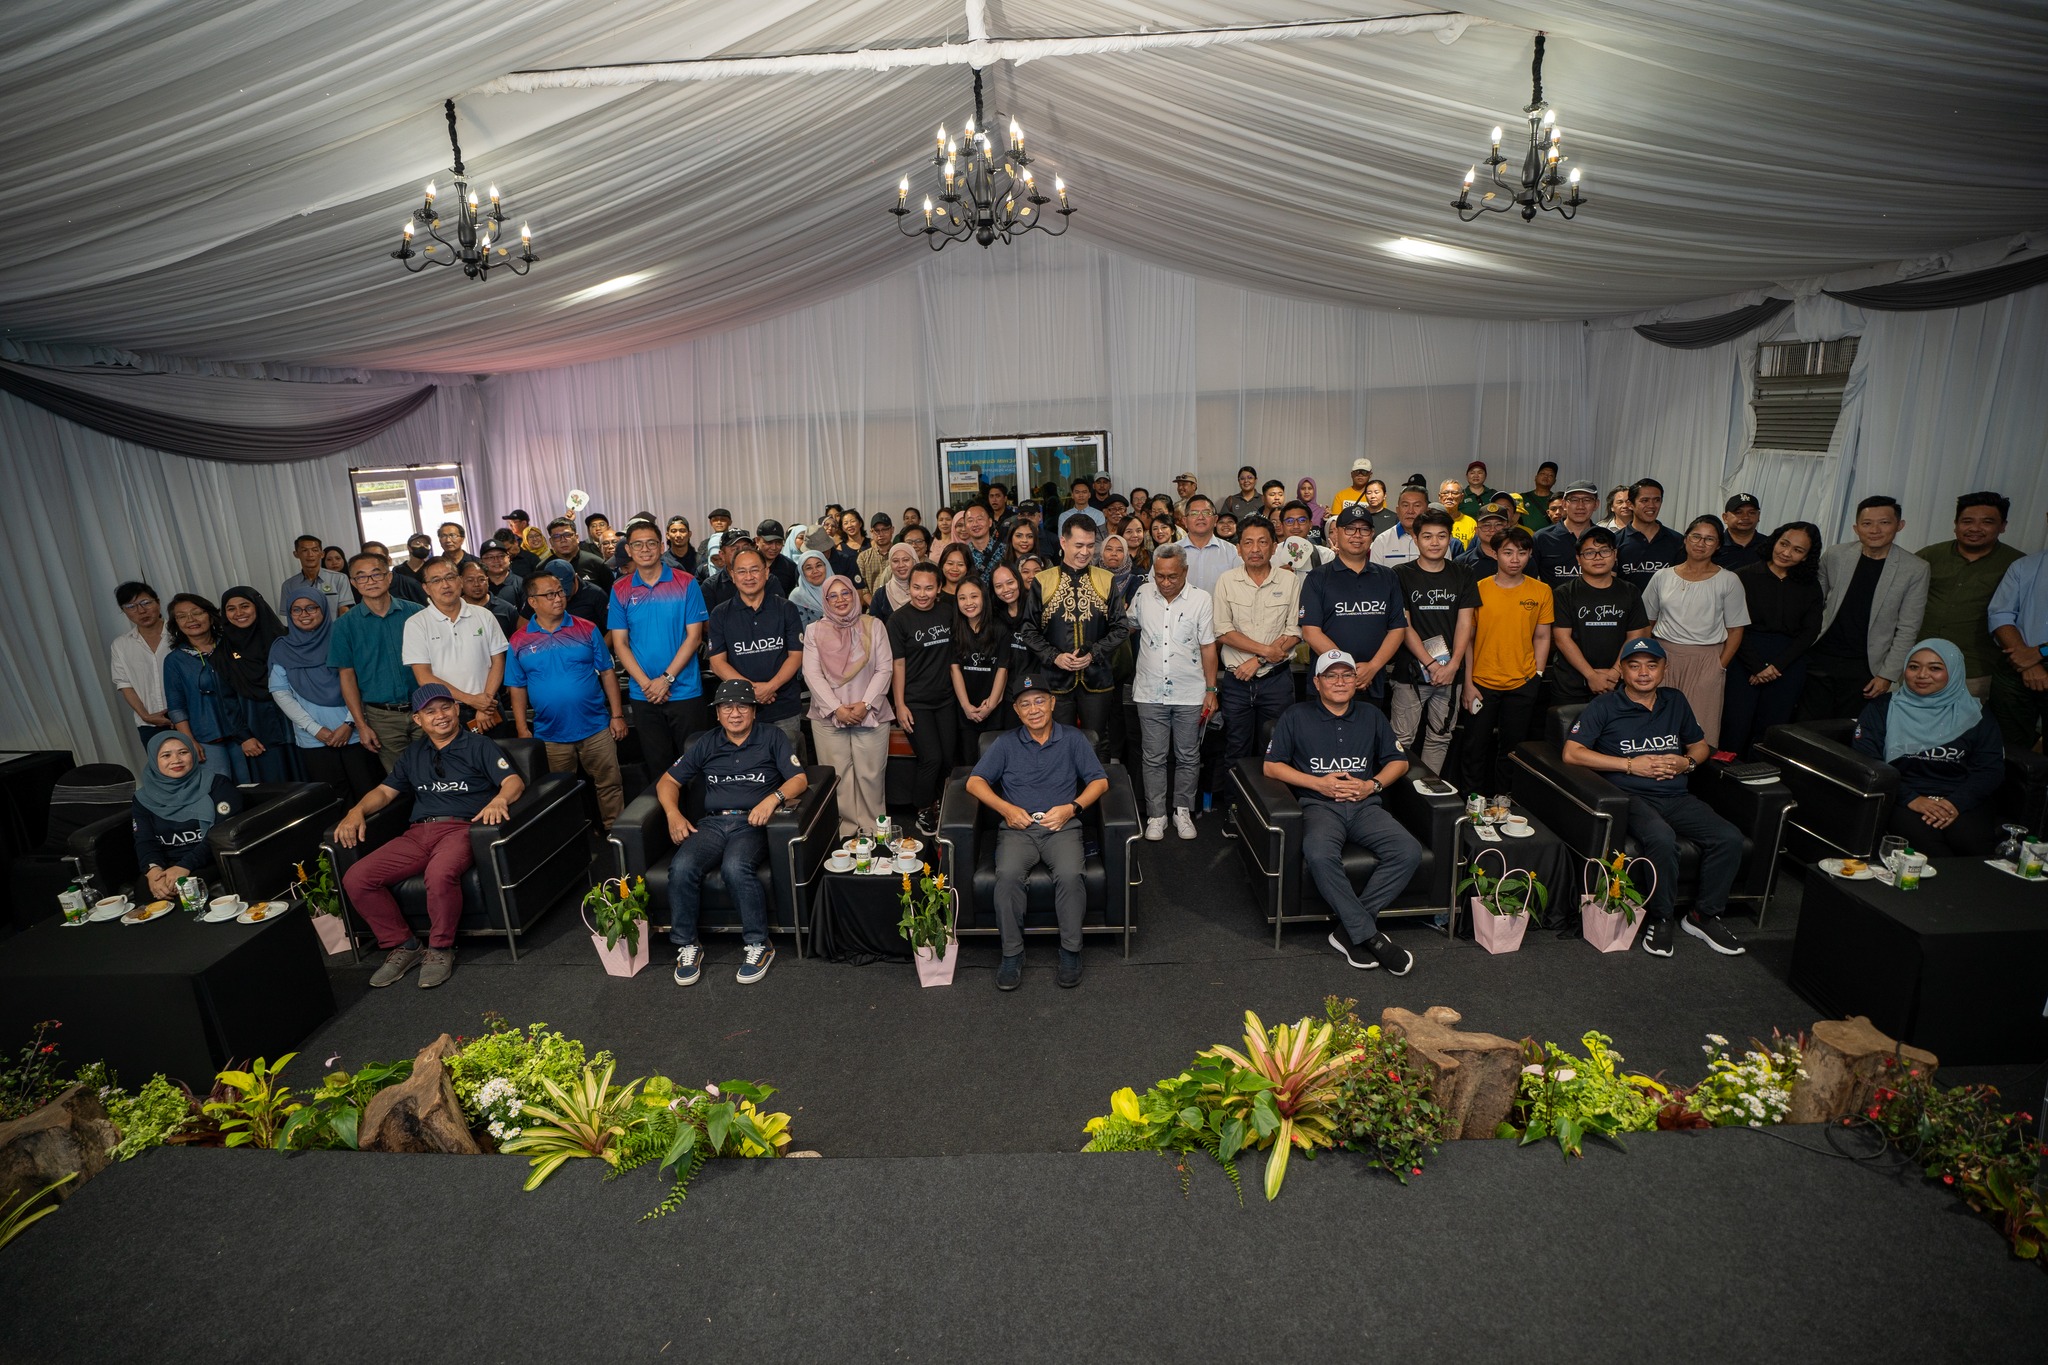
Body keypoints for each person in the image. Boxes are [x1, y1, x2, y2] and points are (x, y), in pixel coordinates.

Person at [1563, 639, 1745, 959]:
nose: (1643, 673)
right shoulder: (1605, 706)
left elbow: (1700, 746)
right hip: (1631, 797)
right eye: (1634, 666)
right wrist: (1630, 765)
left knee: (1729, 837)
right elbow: (1572, 753)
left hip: (1676, 795)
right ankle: (1661, 918)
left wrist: (1687, 762)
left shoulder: (1675, 700)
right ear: (1623, 671)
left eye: (1651, 665)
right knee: (1662, 838)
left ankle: (1703, 916)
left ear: (1664, 669)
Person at [335, 684, 524, 990]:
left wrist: (500, 800)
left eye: (446, 707)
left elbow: (513, 781)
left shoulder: (480, 745)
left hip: (462, 829)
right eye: (430, 711)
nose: (441, 716)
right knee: (357, 878)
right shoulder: (413, 754)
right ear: (418, 720)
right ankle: (405, 946)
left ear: (457, 709)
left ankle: (440, 948)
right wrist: (356, 810)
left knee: (439, 873)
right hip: (418, 832)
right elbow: (385, 792)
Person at [1263, 650, 1421, 975]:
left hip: (1365, 806)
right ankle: (1370, 937)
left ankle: (1348, 931)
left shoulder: (1371, 715)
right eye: (1331, 676)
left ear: (1356, 681)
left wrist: (1372, 786)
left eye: (1347, 675)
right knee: (1319, 854)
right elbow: (1270, 766)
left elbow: (1399, 762)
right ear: (1317, 682)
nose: (1340, 682)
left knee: (1408, 850)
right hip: (1319, 806)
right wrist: (1317, 784)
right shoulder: (1296, 716)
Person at [658, 678, 808, 987]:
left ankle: (758, 944)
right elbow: (667, 781)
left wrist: (772, 799)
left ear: (754, 710)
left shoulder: (772, 736)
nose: (735, 713)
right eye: (727, 707)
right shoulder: (707, 742)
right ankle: (687, 945)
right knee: (682, 866)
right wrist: (673, 814)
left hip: (752, 823)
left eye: (742, 706)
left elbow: (799, 779)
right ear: (717, 713)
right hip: (713, 823)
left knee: (735, 867)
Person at [965, 675, 1112, 990]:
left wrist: (1072, 808)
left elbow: (1100, 781)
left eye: (1040, 701)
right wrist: (1006, 809)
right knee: (1007, 876)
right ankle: (1012, 954)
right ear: (1017, 711)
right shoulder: (1005, 743)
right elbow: (974, 782)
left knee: (1071, 875)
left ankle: (1071, 951)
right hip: (1018, 829)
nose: (1034, 709)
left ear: (1053, 703)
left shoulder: (1073, 739)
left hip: (1062, 826)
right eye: (1025, 704)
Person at [1849, 639, 2004, 856]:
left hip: (1959, 798)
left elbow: (1990, 769)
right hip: (1902, 796)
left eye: (1935, 668)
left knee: (1973, 846)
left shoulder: (1976, 714)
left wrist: (1955, 803)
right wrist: (1911, 799)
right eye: (1913, 667)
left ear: (1954, 672)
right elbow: (1866, 760)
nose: (1922, 675)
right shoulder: (1881, 708)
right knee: (1929, 851)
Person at [507, 575, 628, 827]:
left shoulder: (587, 629)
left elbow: (607, 672)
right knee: (558, 793)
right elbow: (516, 686)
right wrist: (521, 728)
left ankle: (615, 832)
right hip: (550, 733)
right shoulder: (519, 640)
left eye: (560, 592)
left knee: (610, 783)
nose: (558, 598)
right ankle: (573, 837)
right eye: (549, 594)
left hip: (596, 726)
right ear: (532, 602)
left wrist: (617, 715)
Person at [1803, 496, 1930, 721]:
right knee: (1805, 726)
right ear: (1856, 528)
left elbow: (1908, 628)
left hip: (1867, 666)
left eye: (1884, 522)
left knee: (1848, 729)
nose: (1875, 530)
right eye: (1867, 523)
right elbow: (1812, 602)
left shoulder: (1915, 568)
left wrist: (1887, 675)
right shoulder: (1836, 554)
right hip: (1820, 656)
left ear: (1899, 525)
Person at [1020, 517, 1133, 768]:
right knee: (1056, 741)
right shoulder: (1043, 580)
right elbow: (1028, 630)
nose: (1085, 552)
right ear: (1063, 542)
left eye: (1090, 546)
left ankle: (1099, 791)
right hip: (1056, 680)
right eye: (1079, 545)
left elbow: (1120, 628)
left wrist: (1093, 653)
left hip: (1097, 679)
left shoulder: (1105, 579)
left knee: (1098, 740)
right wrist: (1055, 657)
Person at [1128, 543, 1218, 840]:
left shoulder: (1201, 599)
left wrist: (1211, 689)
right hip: (1149, 690)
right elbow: (1126, 626)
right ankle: (1157, 815)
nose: (1165, 583)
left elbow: (1208, 646)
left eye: (1172, 576)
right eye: (1160, 576)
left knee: (1188, 755)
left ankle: (1182, 810)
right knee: (1153, 757)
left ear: (1185, 571)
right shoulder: (1143, 594)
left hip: (1190, 691)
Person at [609, 520, 711, 778]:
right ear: (629, 550)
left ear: (662, 546)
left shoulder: (686, 583)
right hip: (644, 695)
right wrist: (648, 685)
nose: (645, 549)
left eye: (651, 543)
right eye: (637, 545)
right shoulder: (620, 589)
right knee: (658, 768)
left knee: (695, 766)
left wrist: (665, 680)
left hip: (685, 691)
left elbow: (694, 637)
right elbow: (620, 643)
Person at [1639, 516, 1749, 748]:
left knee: (1699, 728)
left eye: (1709, 539)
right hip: (1664, 657)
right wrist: (1647, 659)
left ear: (1718, 545)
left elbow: (1736, 629)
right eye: (1696, 536)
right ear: (1686, 539)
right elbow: (1647, 621)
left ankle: (1695, 770)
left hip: (1706, 660)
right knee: (1657, 721)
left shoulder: (1729, 580)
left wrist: (1719, 666)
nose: (1701, 543)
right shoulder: (1662, 576)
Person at [1462, 526, 1552, 794]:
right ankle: (1471, 801)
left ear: (1530, 555)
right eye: (1508, 552)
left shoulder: (1541, 590)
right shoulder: (1478, 589)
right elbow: (1467, 639)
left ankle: (1504, 801)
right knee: (1474, 747)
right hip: (1481, 682)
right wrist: (1468, 682)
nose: (1515, 559)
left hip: (1522, 682)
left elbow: (1542, 636)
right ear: (1495, 554)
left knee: (1512, 750)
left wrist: (1537, 675)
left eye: (1522, 553)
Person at [803, 574, 894, 838]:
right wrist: (837, 709)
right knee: (838, 778)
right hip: (829, 717)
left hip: (870, 712)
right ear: (825, 600)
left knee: (871, 777)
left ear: (855, 595)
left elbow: (885, 668)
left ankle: (875, 834)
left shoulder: (874, 625)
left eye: (845, 593)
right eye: (833, 595)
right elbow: (812, 674)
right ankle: (845, 835)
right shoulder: (814, 631)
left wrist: (866, 704)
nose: (840, 599)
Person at [269, 585, 380, 801]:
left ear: (323, 608)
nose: (304, 614)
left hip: (356, 733)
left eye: (311, 607)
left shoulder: (342, 638)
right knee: (334, 798)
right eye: (296, 610)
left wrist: (350, 724)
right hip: (313, 738)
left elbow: (362, 682)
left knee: (368, 790)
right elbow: (280, 693)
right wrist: (315, 729)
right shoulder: (282, 648)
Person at [1722, 523, 1824, 756]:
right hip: (1744, 657)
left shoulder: (1810, 586)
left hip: (1788, 663)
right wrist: (1758, 667)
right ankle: (1725, 774)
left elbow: (1810, 632)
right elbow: (1733, 625)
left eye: (1797, 550)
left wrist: (1776, 667)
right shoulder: (1743, 576)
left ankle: (1762, 776)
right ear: (1774, 541)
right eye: (1784, 544)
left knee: (1771, 729)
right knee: (1734, 724)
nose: (1786, 553)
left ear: (1806, 556)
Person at [1211, 519, 1303, 776]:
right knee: (1235, 750)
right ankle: (1235, 801)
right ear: (1238, 548)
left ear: (1273, 547)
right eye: (1248, 542)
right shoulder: (1227, 581)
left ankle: (1271, 803)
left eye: (1262, 542)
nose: (1255, 549)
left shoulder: (1289, 581)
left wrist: (1259, 660)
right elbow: (1222, 631)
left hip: (1276, 681)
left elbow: (1295, 631)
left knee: (1276, 751)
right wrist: (1265, 651)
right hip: (1237, 682)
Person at [1391, 510, 1479, 777]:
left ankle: (1429, 793)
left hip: (1451, 675)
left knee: (1440, 737)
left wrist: (1453, 666)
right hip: (1411, 673)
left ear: (1450, 538)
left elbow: (1466, 624)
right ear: (1415, 538)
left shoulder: (1463, 573)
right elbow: (1403, 625)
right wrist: (1430, 663)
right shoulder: (1400, 574)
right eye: (1427, 536)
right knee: (1402, 739)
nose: (1435, 542)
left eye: (1441, 536)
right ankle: (1401, 795)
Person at [1916, 492, 2023, 697]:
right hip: (1919, 665)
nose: (1975, 528)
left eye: (1987, 522)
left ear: (2003, 526)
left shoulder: (2017, 565)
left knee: (1968, 718)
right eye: (1967, 521)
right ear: (1955, 524)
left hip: (1976, 671)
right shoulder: (1929, 556)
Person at [1300, 503, 1407, 706]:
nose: (1357, 535)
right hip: (1328, 683)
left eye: (1364, 529)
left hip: (1372, 682)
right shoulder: (1317, 578)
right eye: (1350, 529)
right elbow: (1311, 632)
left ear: (1372, 534)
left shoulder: (1388, 577)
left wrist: (1372, 667)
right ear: (1337, 533)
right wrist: (1348, 671)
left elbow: (1397, 630)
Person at [329, 552, 425, 771]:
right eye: (361, 577)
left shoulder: (417, 613)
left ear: (389, 577)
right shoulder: (344, 625)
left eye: (376, 574)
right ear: (353, 583)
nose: (370, 581)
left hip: (425, 707)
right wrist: (361, 725)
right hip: (382, 717)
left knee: (439, 771)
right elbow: (347, 677)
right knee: (400, 779)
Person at [708, 544, 806, 753]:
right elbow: (717, 663)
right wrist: (751, 690)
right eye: (742, 571)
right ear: (732, 575)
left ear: (766, 572)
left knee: (788, 767)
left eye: (754, 570)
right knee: (747, 768)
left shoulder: (786, 608)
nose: (749, 577)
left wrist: (770, 687)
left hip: (784, 706)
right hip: (740, 710)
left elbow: (796, 656)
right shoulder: (720, 614)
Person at [1546, 527, 1651, 713]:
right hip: (1571, 685)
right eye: (1589, 553)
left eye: (1604, 551)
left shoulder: (1630, 591)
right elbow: (1562, 638)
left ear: (1615, 555)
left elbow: (1636, 636)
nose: (1598, 557)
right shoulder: (1563, 593)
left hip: (1618, 682)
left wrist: (1615, 672)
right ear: (1578, 559)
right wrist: (1591, 675)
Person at [131, 732, 242, 904]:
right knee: (145, 892)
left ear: (193, 753)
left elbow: (220, 834)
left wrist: (185, 866)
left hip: (208, 859)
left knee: (186, 890)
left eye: (183, 752)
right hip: (168, 864)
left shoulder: (217, 785)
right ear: (154, 760)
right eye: (166, 755)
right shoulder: (143, 798)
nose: (176, 760)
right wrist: (153, 870)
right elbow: (144, 840)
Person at [889, 563, 958, 837]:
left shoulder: (948, 612)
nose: (922, 594)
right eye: (916, 587)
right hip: (915, 701)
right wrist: (900, 705)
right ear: (909, 587)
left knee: (949, 758)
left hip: (946, 699)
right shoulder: (898, 620)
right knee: (931, 758)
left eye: (929, 588)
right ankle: (922, 809)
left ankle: (943, 804)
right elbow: (898, 665)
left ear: (939, 588)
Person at [402, 556, 507, 732]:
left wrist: (485, 703)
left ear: (459, 581)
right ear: (426, 588)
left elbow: (498, 661)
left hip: (490, 705)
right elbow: (423, 676)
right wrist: (471, 700)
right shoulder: (416, 624)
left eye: (450, 577)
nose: (445, 585)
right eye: (436, 580)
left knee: (501, 749)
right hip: (447, 712)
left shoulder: (484, 615)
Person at [163, 593, 254, 784]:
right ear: (176, 624)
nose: (191, 619)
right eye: (182, 616)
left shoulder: (231, 646)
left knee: (253, 786)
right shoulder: (174, 660)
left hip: (245, 733)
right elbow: (176, 707)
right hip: (205, 738)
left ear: (211, 616)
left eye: (197, 612)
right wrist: (189, 742)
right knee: (220, 789)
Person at [214, 585, 297, 782]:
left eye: (245, 606)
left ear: (258, 606)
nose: (239, 613)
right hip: (258, 736)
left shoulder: (286, 640)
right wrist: (244, 736)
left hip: (299, 727)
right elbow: (227, 701)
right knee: (277, 790)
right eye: (231, 609)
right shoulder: (223, 654)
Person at [1988, 511, 2048, 748]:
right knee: (2008, 749)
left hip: (2030, 657)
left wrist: (2040, 652)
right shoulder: (2024, 566)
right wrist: (2029, 662)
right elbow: (2000, 614)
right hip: (2017, 667)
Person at [951, 578, 1013, 760]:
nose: (968, 603)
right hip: (966, 709)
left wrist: (991, 704)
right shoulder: (956, 629)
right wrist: (966, 706)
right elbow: (954, 669)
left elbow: (1003, 669)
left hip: (993, 707)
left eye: (974, 596)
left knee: (994, 760)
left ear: (984, 598)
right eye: (962, 598)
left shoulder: (1000, 628)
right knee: (969, 761)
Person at [111, 581, 176, 745]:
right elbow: (125, 685)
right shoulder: (121, 645)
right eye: (131, 606)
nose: (141, 611)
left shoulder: (179, 634)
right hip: (149, 725)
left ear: (158, 602)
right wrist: (146, 716)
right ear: (124, 611)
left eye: (146, 603)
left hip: (190, 719)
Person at [1616, 479, 1686, 590]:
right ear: (1630, 504)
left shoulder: (1677, 541)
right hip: (1625, 601)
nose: (1651, 505)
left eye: (1657, 500)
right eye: (1645, 500)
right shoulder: (1615, 540)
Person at [1533, 479, 1602, 588]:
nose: (1580, 506)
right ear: (1564, 504)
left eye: (1587, 500)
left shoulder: (1605, 537)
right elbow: (1529, 579)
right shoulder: (1542, 538)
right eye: (1574, 500)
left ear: (1596, 504)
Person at [282, 533, 354, 618]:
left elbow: (344, 611)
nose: (310, 554)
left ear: (322, 554)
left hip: (334, 626)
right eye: (304, 550)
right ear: (296, 554)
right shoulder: (289, 585)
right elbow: (290, 616)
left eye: (315, 550)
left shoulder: (339, 578)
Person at [460, 558, 521, 639]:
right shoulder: (454, 609)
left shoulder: (506, 609)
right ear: (460, 582)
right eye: (470, 580)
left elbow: (518, 640)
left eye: (481, 580)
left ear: (488, 581)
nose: (476, 584)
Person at [548, 518, 615, 593]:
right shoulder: (544, 568)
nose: (563, 540)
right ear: (551, 542)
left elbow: (612, 594)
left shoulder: (596, 563)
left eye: (567, 535)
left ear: (577, 537)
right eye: (556, 537)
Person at [1369, 485, 1428, 569]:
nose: (1410, 511)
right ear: (1397, 510)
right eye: (1405, 505)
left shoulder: (1437, 541)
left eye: (1417, 505)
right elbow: (1376, 575)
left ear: (1427, 510)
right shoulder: (1382, 541)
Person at [1714, 494, 1766, 570]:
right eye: (1738, 512)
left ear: (1758, 516)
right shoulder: (1714, 545)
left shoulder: (1769, 545)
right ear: (1725, 518)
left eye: (1751, 512)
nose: (1745, 517)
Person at [1458, 505, 1510, 576]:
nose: (1492, 529)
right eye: (1486, 525)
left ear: (1508, 527)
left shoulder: (1520, 560)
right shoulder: (1462, 563)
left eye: (1498, 525)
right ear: (1476, 530)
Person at [870, 543, 914, 625]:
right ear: (890, 564)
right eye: (895, 561)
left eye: (906, 560)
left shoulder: (925, 591)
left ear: (914, 561)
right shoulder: (881, 595)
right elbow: (874, 627)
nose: (901, 565)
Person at [832, 511, 872, 597]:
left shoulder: (872, 543)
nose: (850, 525)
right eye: (846, 523)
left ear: (860, 523)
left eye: (852, 521)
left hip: (872, 590)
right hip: (851, 593)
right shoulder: (839, 548)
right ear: (842, 528)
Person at [790, 548, 833, 628]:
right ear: (802, 572)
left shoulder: (840, 589)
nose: (815, 571)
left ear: (826, 566)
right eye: (808, 568)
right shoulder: (797, 596)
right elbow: (801, 630)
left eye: (819, 565)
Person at [1436, 479, 1479, 548]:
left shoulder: (1471, 523)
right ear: (1439, 497)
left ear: (1461, 497)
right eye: (1445, 493)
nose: (1449, 497)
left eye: (1454, 493)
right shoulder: (1431, 521)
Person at [478, 541, 524, 606]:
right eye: (490, 557)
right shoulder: (478, 585)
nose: (496, 560)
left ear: (508, 558)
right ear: (481, 561)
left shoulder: (521, 584)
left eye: (501, 556)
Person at [1519, 462, 1560, 533]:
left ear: (1554, 481)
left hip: (1548, 537)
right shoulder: (1522, 497)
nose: (1546, 476)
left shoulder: (1557, 501)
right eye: (1543, 473)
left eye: (1550, 475)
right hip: (1524, 538)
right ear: (1536, 477)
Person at [857, 514, 893, 594]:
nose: (881, 534)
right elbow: (862, 588)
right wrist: (873, 602)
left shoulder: (900, 554)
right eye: (877, 531)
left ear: (892, 530)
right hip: (872, 600)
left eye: (885, 530)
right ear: (871, 532)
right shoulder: (863, 557)